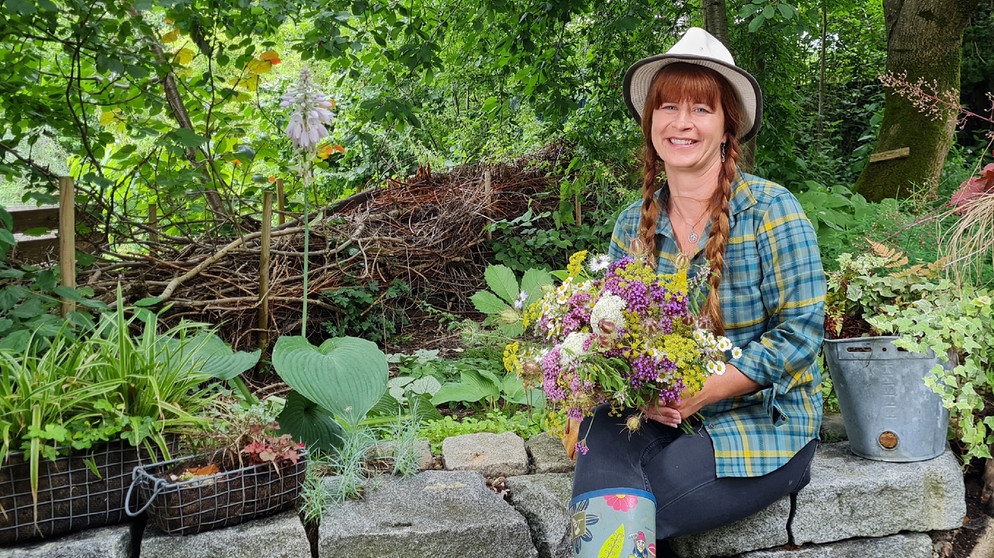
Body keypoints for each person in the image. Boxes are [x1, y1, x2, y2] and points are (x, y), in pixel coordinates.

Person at [566, 27, 825, 557]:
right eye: (667, 107)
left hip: (762, 425)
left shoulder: (772, 212)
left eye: (702, 110)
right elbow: (618, 336)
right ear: (650, 123)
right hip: (659, 410)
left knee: (623, 510)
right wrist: (594, 374)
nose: (681, 123)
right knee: (600, 454)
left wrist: (702, 391)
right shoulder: (630, 227)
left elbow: (801, 335)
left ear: (729, 126)